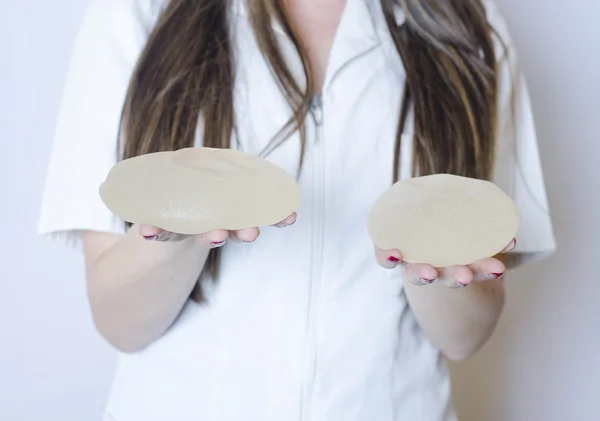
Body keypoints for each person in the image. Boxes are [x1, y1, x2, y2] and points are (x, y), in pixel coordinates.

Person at [37, 0, 557, 420]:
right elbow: (117, 322)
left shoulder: (467, 26)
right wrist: (186, 230)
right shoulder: (139, 14)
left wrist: (434, 275)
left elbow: (465, 339)